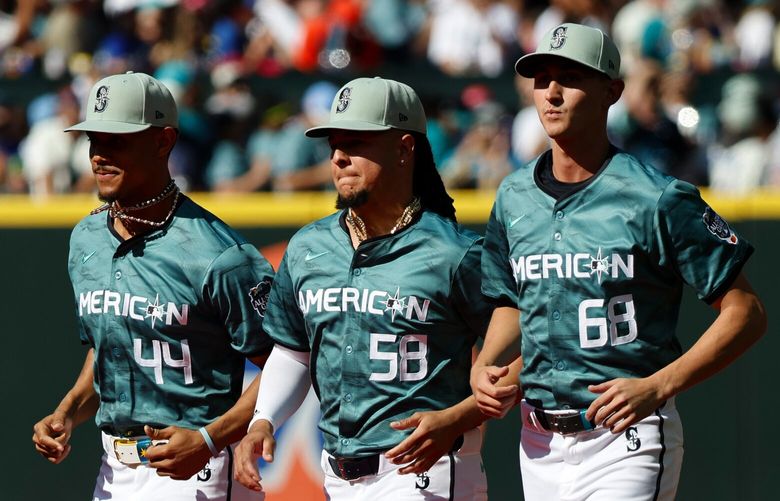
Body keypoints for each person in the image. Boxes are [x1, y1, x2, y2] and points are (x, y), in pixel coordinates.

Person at [470, 23, 767, 501]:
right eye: (541, 78)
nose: (551, 92)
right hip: (538, 442)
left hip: (626, 436)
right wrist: (488, 361)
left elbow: (746, 312)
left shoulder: (656, 197)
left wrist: (657, 386)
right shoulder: (513, 195)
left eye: (568, 77)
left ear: (612, 91)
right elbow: (510, 299)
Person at [233, 76, 494, 500]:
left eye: (357, 142)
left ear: (405, 149)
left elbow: (524, 348)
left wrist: (461, 415)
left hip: (424, 470)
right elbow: (294, 351)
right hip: (338, 476)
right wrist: (263, 419)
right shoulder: (308, 247)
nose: (339, 157)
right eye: (334, 143)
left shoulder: (454, 252)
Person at [31, 71, 274, 501]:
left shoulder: (218, 254)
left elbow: (288, 362)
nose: (98, 156)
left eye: (116, 140)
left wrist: (211, 440)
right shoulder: (86, 238)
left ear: (163, 141)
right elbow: (109, 345)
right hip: (114, 471)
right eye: (94, 140)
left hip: (197, 472)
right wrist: (68, 411)